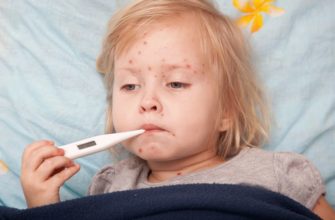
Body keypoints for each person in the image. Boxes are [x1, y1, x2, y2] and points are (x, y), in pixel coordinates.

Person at [20, 0, 335, 218]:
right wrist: (44, 204)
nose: (147, 101)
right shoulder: (109, 185)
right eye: (130, 86)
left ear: (226, 112)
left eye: (176, 83)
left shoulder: (279, 174)